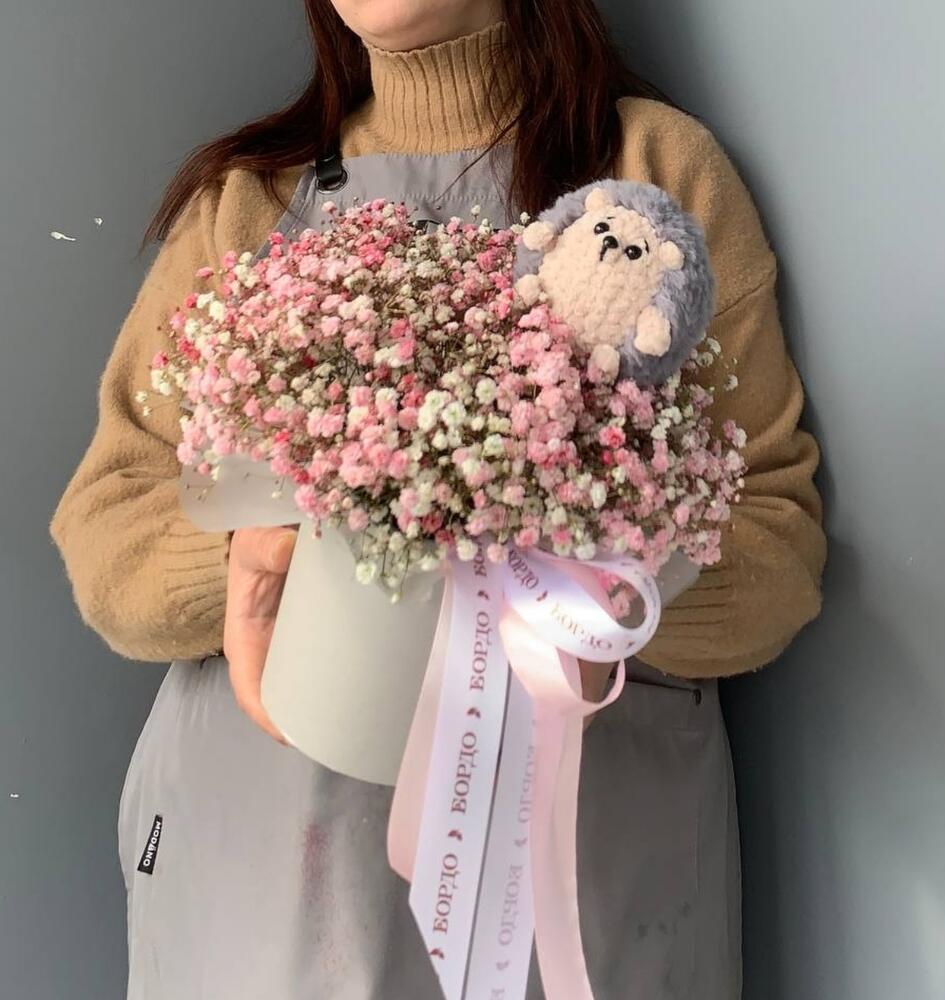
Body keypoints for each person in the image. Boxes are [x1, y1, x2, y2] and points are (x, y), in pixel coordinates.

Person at [50, 1, 827, 997]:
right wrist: (273, 550)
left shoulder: (654, 173)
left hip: (582, 895)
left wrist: (576, 585)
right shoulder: (246, 202)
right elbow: (108, 526)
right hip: (265, 891)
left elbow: (772, 541)